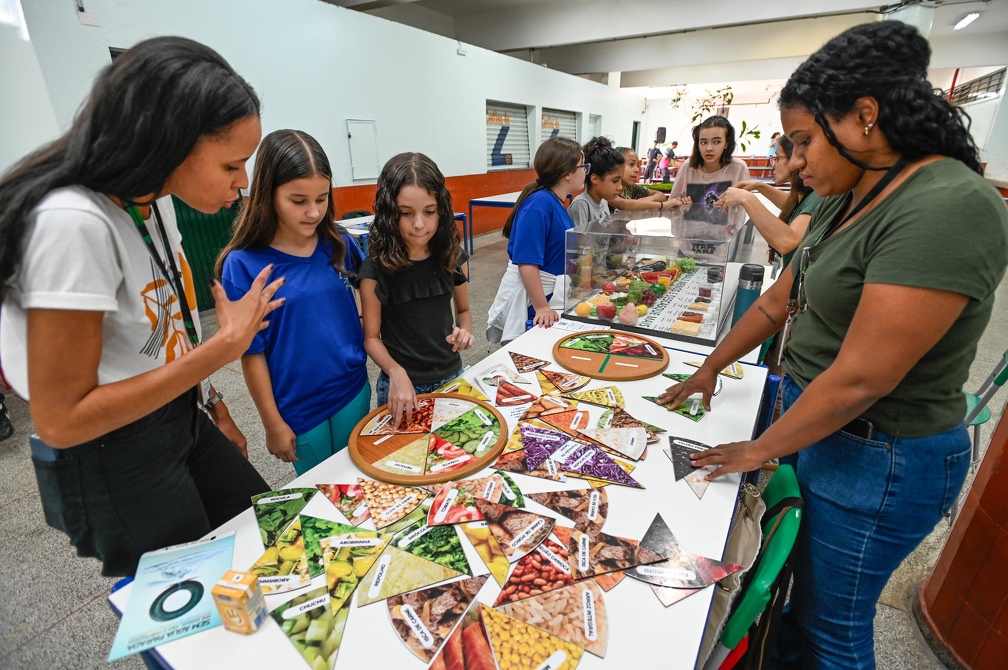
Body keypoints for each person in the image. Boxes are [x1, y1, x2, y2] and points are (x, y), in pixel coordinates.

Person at [660, 21, 1008, 669]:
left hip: (882, 457)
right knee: (798, 604)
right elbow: (775, 301)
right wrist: (711, 364)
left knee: (832, 631)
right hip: (819, 427)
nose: (794, 163)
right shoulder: (843, 195)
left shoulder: (947, 204)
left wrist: (760, 448)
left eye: (803, 142)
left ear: (863, 118)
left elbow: (862, 378)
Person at [0, 37, 283, 576]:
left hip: (177, 414)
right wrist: (224, 346)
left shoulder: (152, 201)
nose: (242, 183)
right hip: (113, 453)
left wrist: (210, 404)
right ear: (171, 141)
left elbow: (160, 334)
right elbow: (61, 420)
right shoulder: (72, 223)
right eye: (232, 164)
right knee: (190, 602)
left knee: (270, 538)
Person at [218, 130, 369, 475]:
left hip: (352, 389)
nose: (314, 212)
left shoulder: (339, 244)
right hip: (297, 407)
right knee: (321, 495)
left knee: (359, 482)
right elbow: (251, 353)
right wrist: (271, 423)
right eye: (298, 201)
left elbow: (368, 296)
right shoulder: (242, 265)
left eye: (322, 198)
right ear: (267, 195)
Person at [359, 153, 473, 425]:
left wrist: (464, 331)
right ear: (388, 213)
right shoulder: (374, 270)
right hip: (401, 387)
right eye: (406, 214)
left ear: (441, 210)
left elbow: (465, 311)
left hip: (452, 377)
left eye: (429, 212)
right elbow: (371, 338)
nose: (419, 223)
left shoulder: (452, 256)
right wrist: (395, 372)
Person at [486, 137, 585, 343]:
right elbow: (527, 261)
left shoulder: (556, 201)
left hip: (550, 295)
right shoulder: (539, 204)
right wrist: (541, 306)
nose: (586, 171)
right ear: (567, 173)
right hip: (537, 300)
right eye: (583, 166)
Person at [717, 134, 822, 277]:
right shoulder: (807, 197)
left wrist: (747, 198)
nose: (774, 164)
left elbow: (787, 241)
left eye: (777, 158)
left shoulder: (817, 197)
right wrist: (761, 187)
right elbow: (794, 207)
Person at [670, 115, 750, 230]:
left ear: (726, 143)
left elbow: (742, 209)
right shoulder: (688, 166)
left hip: (723, 243)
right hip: (688, 241)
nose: (709, 148)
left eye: (716, 142)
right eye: (703, 142)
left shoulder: (739, 168)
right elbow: (672, 204)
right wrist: (681, 202)